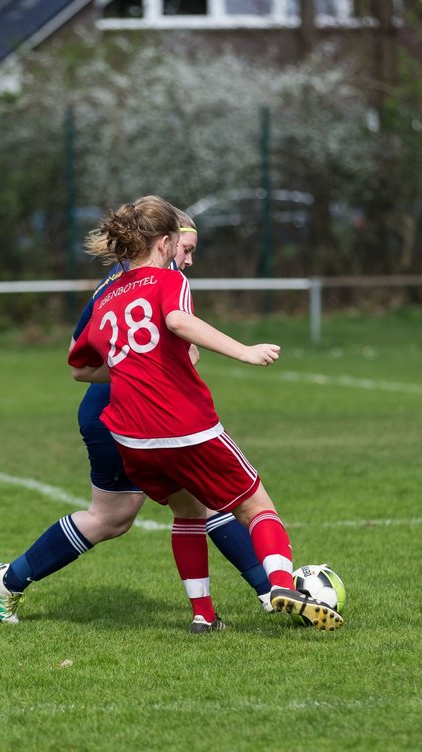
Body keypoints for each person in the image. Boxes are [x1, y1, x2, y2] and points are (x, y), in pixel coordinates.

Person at [0, 205, 274, 632]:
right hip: (122, 412)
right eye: (186, 248)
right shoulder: (125, 286)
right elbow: (79, 354)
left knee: (112, 519)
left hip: (124, 412)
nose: (189, 259)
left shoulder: (130, 285)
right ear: (164, 242)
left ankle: (8, 579)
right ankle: (271, 592)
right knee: (208, 498)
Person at [66, 195, 342, 631]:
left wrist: (127, 364)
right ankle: (281, 585)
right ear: (164, 242)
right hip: (183, 425)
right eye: (179, 243)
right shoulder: (167, 280)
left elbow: (80, 369)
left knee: (190, 512)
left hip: (133, 439)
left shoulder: (108, 294)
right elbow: (177, 321)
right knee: (257, 506)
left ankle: (204, 616)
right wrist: (244, 351)